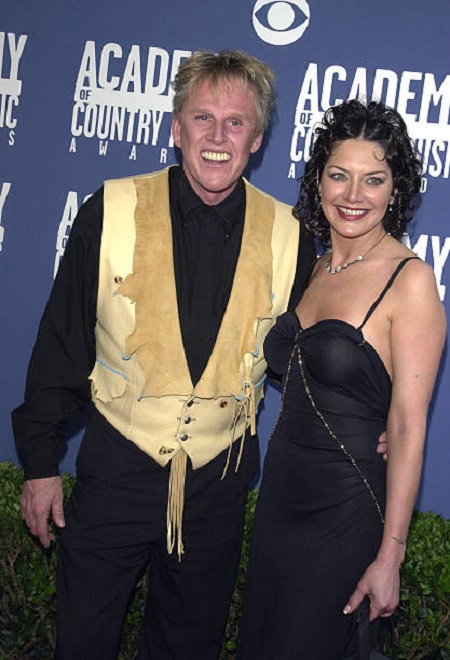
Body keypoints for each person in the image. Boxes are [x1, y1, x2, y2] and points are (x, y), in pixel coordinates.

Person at [11, 50, 317, 659]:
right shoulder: (111, 208)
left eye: (235, 123)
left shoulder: (293, 234)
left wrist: (366, 428)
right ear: (175, 127)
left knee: (188, 646)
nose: (216, 136)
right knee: (83, 639)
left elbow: (304, 365)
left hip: (219, 485)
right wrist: (42, 463)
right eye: (202, 117)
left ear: (256, 139)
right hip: (115, 471)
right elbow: (61, 342)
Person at [237, 99, 446, 659]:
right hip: (281, 497)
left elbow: (406, 424)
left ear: (396, 189)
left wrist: (390, 556)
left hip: (347, 507)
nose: (353, 196)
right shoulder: (312, 265)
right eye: (339, 176)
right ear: (318, 181)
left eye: (373, 180)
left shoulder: (411, 281)